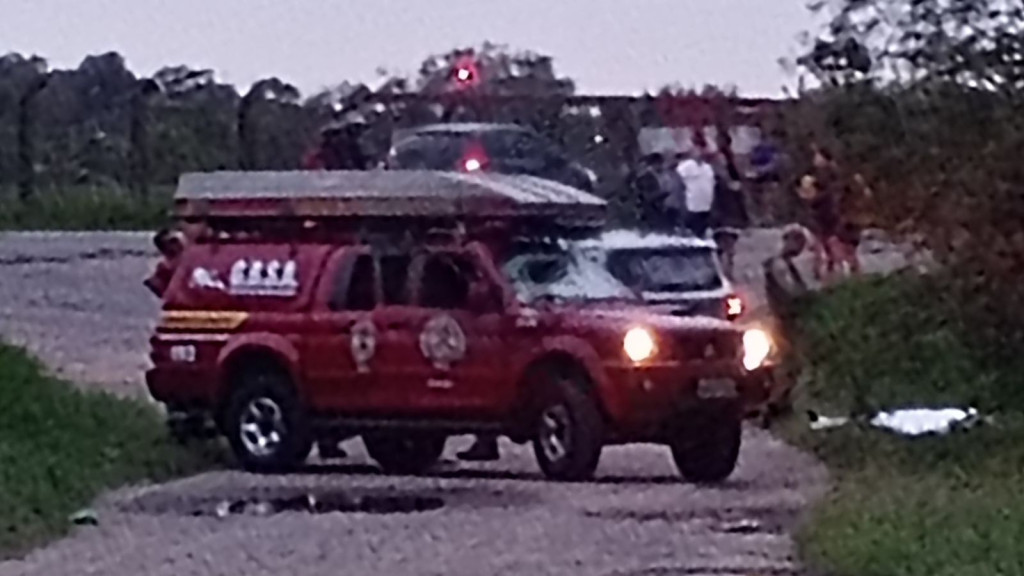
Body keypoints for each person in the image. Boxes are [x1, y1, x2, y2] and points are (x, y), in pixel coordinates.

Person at [675, 130, 717, 238]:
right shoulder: (686, 166)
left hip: (706, 205)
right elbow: (678, 181)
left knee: (703, 231)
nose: (700, 152)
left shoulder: (707, 168)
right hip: (692, 206)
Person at [302, 112, 372, 171]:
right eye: (333, 134)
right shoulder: (323, 152)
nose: (336, 137)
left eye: (337, 134)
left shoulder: (354, 147)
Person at [143, 228, 186, 298]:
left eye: (176, 240)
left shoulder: (192, 255)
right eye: (172, 242)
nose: (178, 243)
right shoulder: (163, 267)